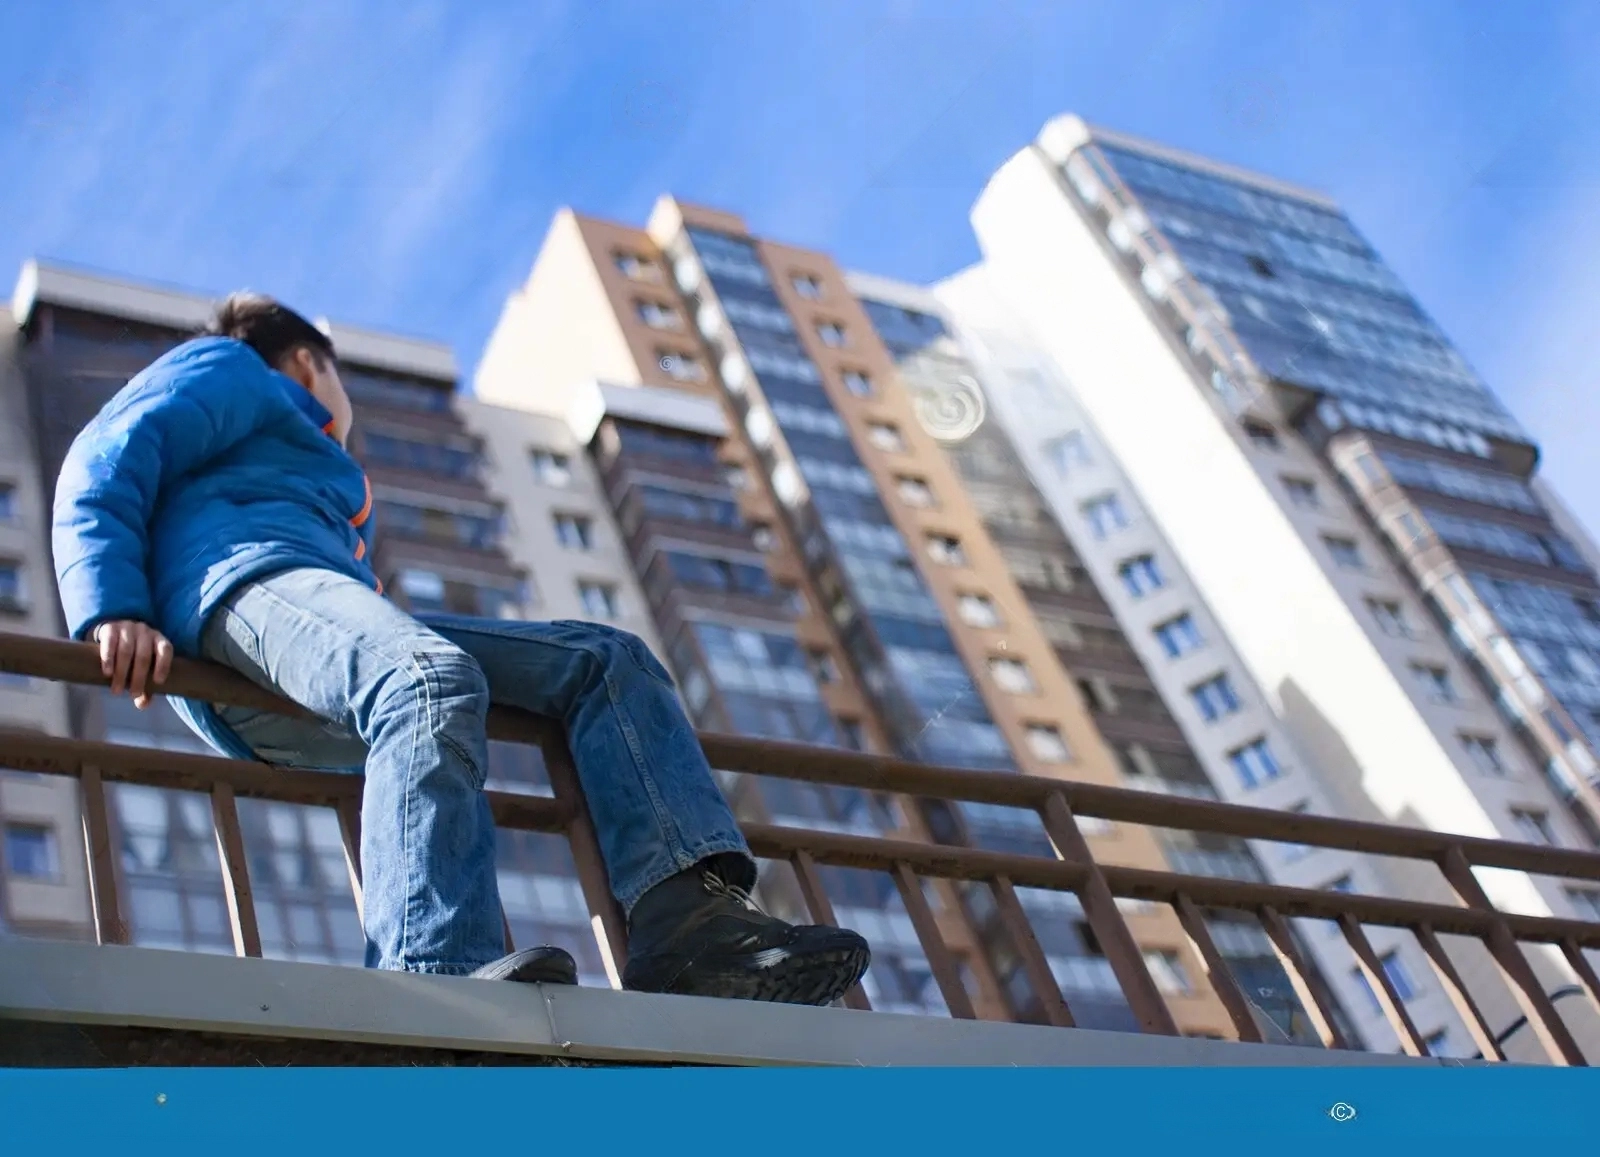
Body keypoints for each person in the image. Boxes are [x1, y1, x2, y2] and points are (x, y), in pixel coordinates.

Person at [52, 292, 870, 1006]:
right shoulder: (235, 370)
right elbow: (107, 455)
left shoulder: (324, 478)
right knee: (429, 681)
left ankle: (692, 928)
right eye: (339, 376)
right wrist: (110, 608)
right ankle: (430, 969)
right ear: (308, 362)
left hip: (317, 623)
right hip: (241, 589)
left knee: (604, 660)